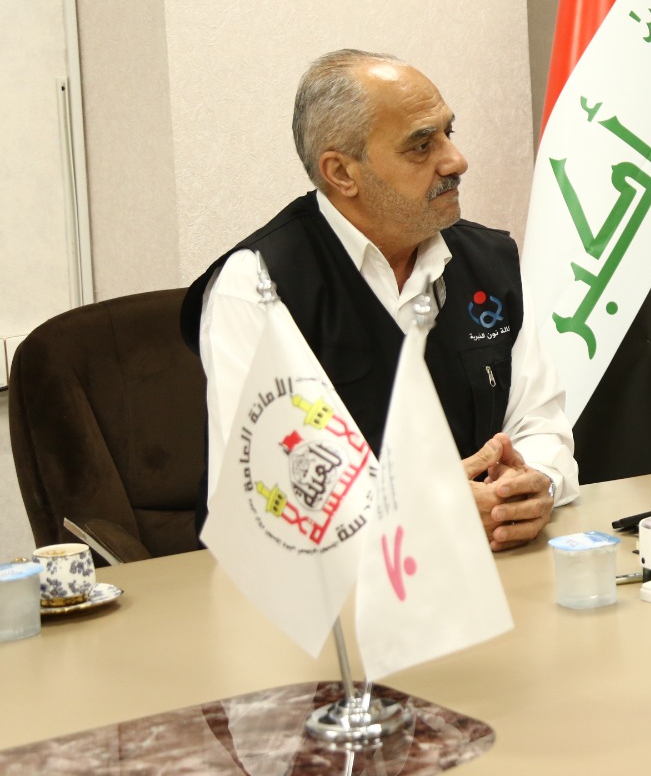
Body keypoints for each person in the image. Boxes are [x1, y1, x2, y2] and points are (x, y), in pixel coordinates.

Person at [181, 49, 577, 551]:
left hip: (489, 566)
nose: (456, 161)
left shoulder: (490, 262)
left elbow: (540, 423)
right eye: (421, 146)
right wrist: (428, 512)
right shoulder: (260, 285)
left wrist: (532, 486)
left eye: (448, 133)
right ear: (342, 173)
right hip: (327, 588)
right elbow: (267, 493)